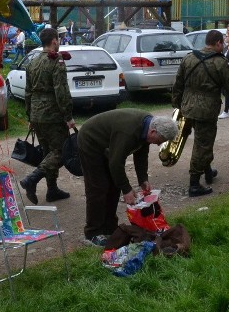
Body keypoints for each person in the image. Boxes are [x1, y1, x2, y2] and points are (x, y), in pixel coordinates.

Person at [77, 109, 179, 247]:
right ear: (153, 132)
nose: (158, 144)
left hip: (108, 144)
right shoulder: (129, 132)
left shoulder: (147, 127)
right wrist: (126, 189)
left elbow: (141, 154)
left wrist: (143, 179)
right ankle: (92, 233)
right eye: (160, 140)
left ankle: (109, 228)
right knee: (98, 188)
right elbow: (116, 162)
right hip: (90, 140)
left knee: (114, 185)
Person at [172, 29, 229, 196]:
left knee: (203, 142)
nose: (224, 45)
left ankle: (207, 171)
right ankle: (194, 184)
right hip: (206, 110)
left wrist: (177, 105)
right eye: (222, 42)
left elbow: (178, 84)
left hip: (187, 107)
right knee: (203, 144)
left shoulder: (189, 57)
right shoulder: (220, 62)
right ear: (218, 44)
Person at [19, 27, 76, 204]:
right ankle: (32, 180)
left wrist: (30, 116)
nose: (59, 43)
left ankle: (52, 190)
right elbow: (61, 91)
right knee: (60, 152)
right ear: (54, 41)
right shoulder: (56, 61)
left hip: (36, 113)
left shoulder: (33, 61)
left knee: (47, 153)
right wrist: (68, 116)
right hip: (52, 114)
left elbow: (27, 92)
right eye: (58, 40)